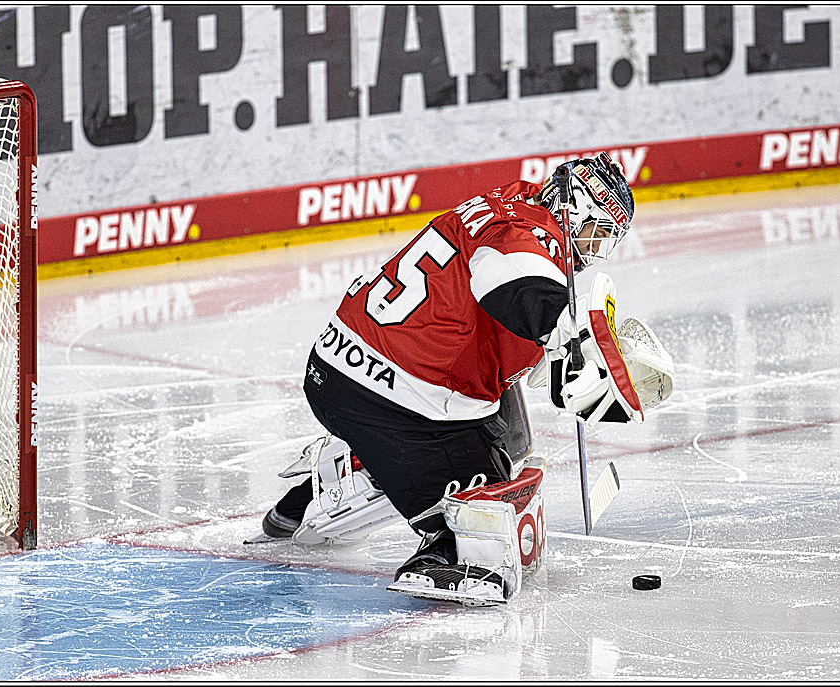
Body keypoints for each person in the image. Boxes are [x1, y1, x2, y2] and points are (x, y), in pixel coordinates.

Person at [253, 152, 637, 605]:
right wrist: (564, 333)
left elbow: (500, 314)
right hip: (390, 397)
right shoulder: (525, 236)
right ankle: (426, 540)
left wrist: (564, 352)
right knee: (486, 524)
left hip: (348, 366)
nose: (597, 247)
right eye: (599, 231)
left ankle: (351, 471)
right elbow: (516, 284)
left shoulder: (520, 200)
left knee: (511, 439)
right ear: (574, 211)